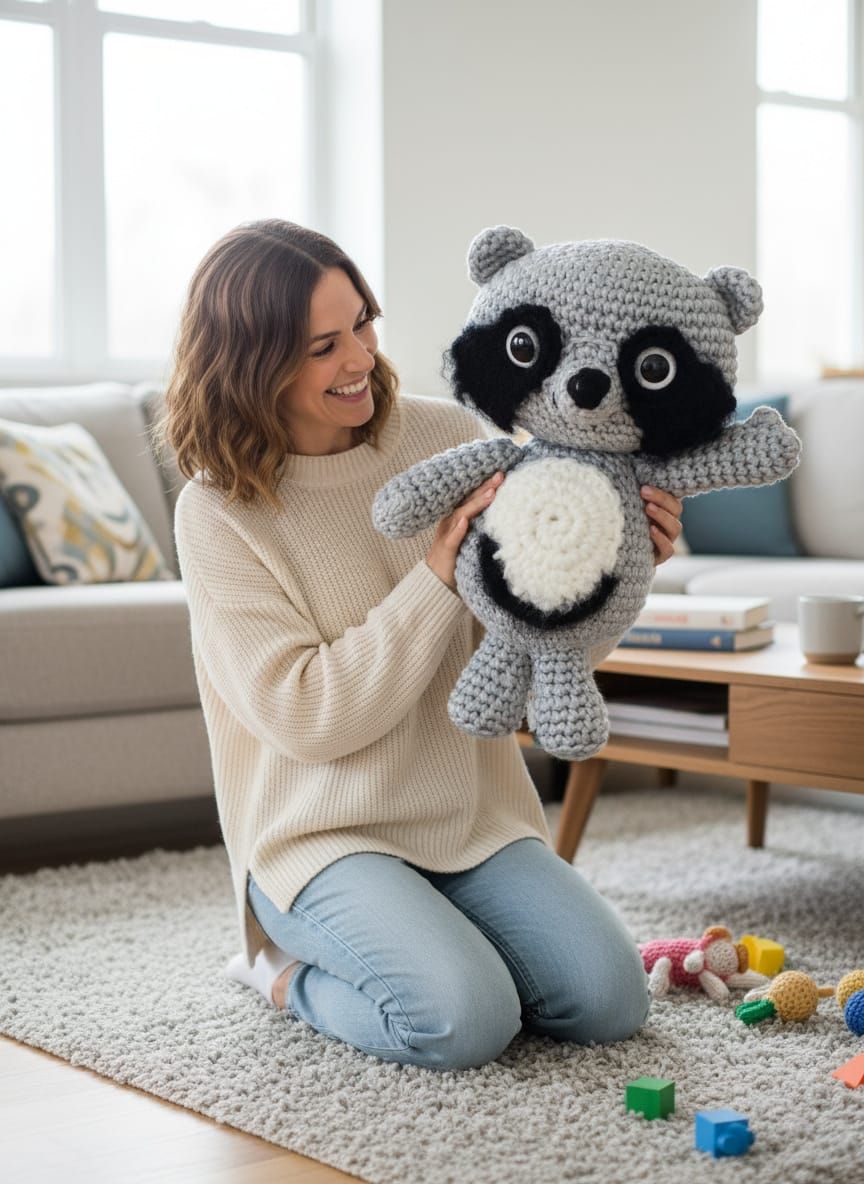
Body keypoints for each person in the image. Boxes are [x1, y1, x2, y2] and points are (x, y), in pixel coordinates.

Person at [158, 219, 685, 1072]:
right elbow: (309, 717)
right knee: (465, 1020)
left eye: (362, 322)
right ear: (254, 365)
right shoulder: (219, 513)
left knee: (610, 1001)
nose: (360, 357)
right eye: (324, 346)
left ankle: (444, 937)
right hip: (322, 837)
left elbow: (529, 649)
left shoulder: (449, 439)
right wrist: (434, 575)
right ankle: (279, 973)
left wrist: (617, 571)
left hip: (470, 818)